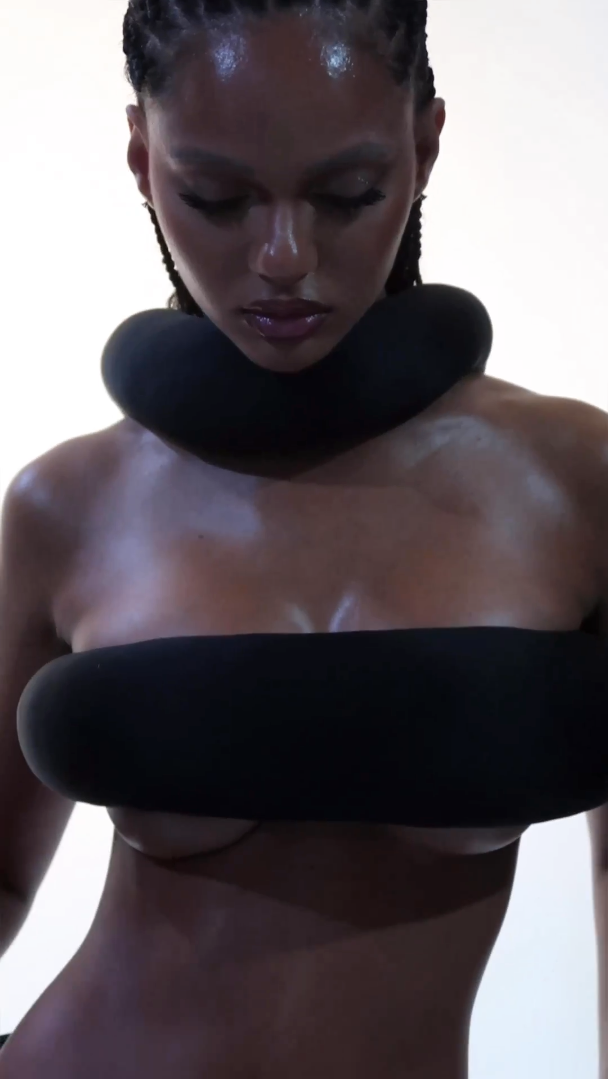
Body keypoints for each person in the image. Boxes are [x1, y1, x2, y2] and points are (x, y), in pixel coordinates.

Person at [0, 1, 607, 1076]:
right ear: (143, 159)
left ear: (424, 143)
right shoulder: (65, 504)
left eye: (346, 193)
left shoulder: (574, 483)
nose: (283, 255)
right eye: (217, 198)